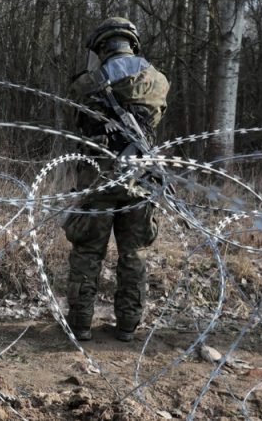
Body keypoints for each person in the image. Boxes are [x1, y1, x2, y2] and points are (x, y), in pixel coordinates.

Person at [64, 17, 169, 342]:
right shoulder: (158, 80)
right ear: (130, 42)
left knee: (87, 251)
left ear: (101, 46)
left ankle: (81, 325)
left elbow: (78, 121)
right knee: (134, 252)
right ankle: (127, 325)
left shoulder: (87, 82)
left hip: (98, 176)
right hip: (140, 175)